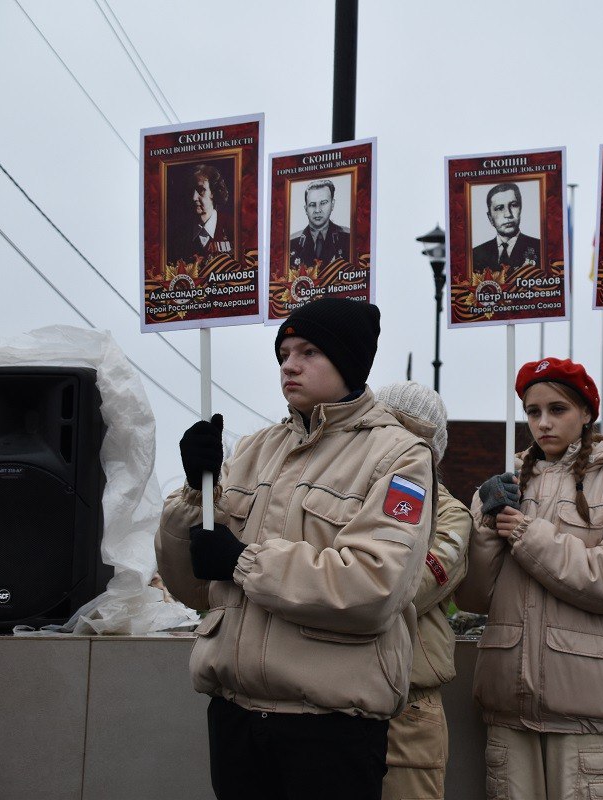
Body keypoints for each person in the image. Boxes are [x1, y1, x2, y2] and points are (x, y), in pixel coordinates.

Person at [154, 297, 434, 800]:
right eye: (284, 354)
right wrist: (196, 494)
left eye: (308, 352)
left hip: (329, 729)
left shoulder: (400, 456)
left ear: (348, 361)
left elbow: (376, 586)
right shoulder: (253, 449)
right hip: (236, 719)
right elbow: (190, 587)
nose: (289, 365)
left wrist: (243, 561)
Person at [456, 357, 603, 800]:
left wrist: (527, 534)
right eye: (533, 411)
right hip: (508, 704)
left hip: (586, 708)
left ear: (585, 414)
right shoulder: (502, 489)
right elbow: (472, 597)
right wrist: (485, 527)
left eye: (557, 409)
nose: (543, 422)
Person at [375, 380, 472, 800]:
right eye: (381, 426)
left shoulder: (449, 514)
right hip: (335, 697)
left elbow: (397, 592)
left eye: (406, 432)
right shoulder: (344, 496)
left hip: (408, 704)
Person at [470, 182, 542, 274]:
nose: (508, 214)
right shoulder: (475, 255)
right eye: (499, 208)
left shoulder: (540, 248)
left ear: (520, 209)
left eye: (513, 205)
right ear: (490, 217)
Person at [169, 163, 233, 263]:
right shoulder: (179, 236)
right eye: (191, 191)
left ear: (213, 192)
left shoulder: (233, 227)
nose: (194, 197)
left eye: (201, 190)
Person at [289, 179, 350, 268]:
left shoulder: (349, 238)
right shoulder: (291, 243)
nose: (317, 210)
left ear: (332, 204)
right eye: (312, 204)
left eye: (323, 203)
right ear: (306, 209)